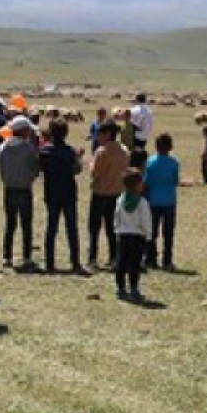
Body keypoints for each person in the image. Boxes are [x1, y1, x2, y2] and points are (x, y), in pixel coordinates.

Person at [39, 118, 83, 273]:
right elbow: (77, 170)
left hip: (51, 192)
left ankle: (49, 263)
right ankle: (75, 262)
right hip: (68, 192)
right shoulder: (70, 151)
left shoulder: (44, 151)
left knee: (51, 228)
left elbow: (40, 168)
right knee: (71, 229)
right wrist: (79, 158)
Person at [0, 116, 40, 271]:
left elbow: (1, 169)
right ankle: (27, 256)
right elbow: (35, 168)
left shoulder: (2, 147)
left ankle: (7, 256)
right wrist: (29, 178)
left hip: (9, 189)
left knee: (10, 224)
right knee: (26, 225)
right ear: (23, 131)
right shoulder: (29, 148)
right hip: (24, 189)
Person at [87, 122, 129, 270]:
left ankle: (93, 258)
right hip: (117, 193)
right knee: (113, 228)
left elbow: (95, 173)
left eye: (100, 134)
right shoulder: (124, 150)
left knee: (94, 227)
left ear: (108, 134)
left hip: (100, 193)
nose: (98, 137)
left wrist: (91, 166)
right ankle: (114, 257)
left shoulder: (102, 151)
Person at [142, 133, 180, 270]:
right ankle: (167, 260)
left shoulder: (150, 162)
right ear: (170, 147)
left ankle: (151, 259)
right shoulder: (174, 163)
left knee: (151, 232)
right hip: (169, 200)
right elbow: (175, 181)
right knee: (168, 233)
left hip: (153, 201)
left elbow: (146, 182)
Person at [113, 168, 152, 302]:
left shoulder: (120, 200)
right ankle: (134, 289)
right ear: (137, 185)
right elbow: (146, 220)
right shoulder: (142, 202)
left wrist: (117, 229)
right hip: (137, 237)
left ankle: (120, 289)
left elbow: (117, 217)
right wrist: (148, 235)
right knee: (134, 265)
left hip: (122, 235)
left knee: (121, 263)